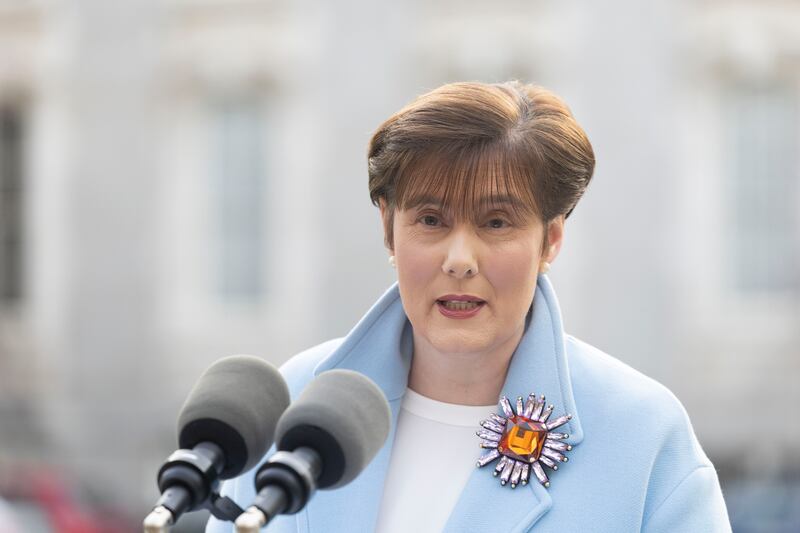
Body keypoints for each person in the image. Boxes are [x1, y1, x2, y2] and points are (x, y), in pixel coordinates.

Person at [206, 81, 731, 532]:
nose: (460, 260)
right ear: (389, 227)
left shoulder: (640, 434)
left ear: (550, 240)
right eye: (431, 220)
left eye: (496, 222)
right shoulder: (294, 404)